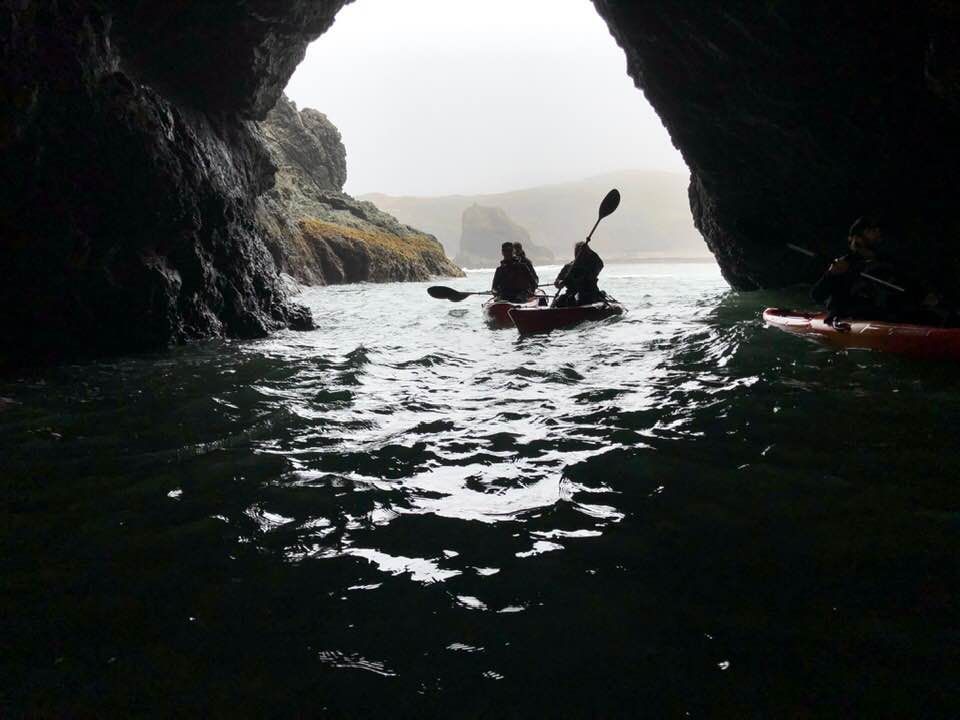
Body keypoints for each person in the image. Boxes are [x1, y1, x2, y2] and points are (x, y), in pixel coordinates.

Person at [810, 216, 901, 327]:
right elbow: (817, 296)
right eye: (870, 231)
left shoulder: (888, 262)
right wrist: (831, 274)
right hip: (850, 318)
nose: (877, 233)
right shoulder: (843, 264)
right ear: (857, 238)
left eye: (878, 230)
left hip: (884, 316)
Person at [552, 240, 605, 307]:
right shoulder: (568, 267)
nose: (581, 254)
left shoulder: (591, 266)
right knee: (561, 301)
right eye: (579, 252)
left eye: (584, 252)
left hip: (590, 294)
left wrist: (590, 251)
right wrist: (560, 283)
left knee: (581, 298)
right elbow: (557, 282)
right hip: (571, 295)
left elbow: (600, 264)